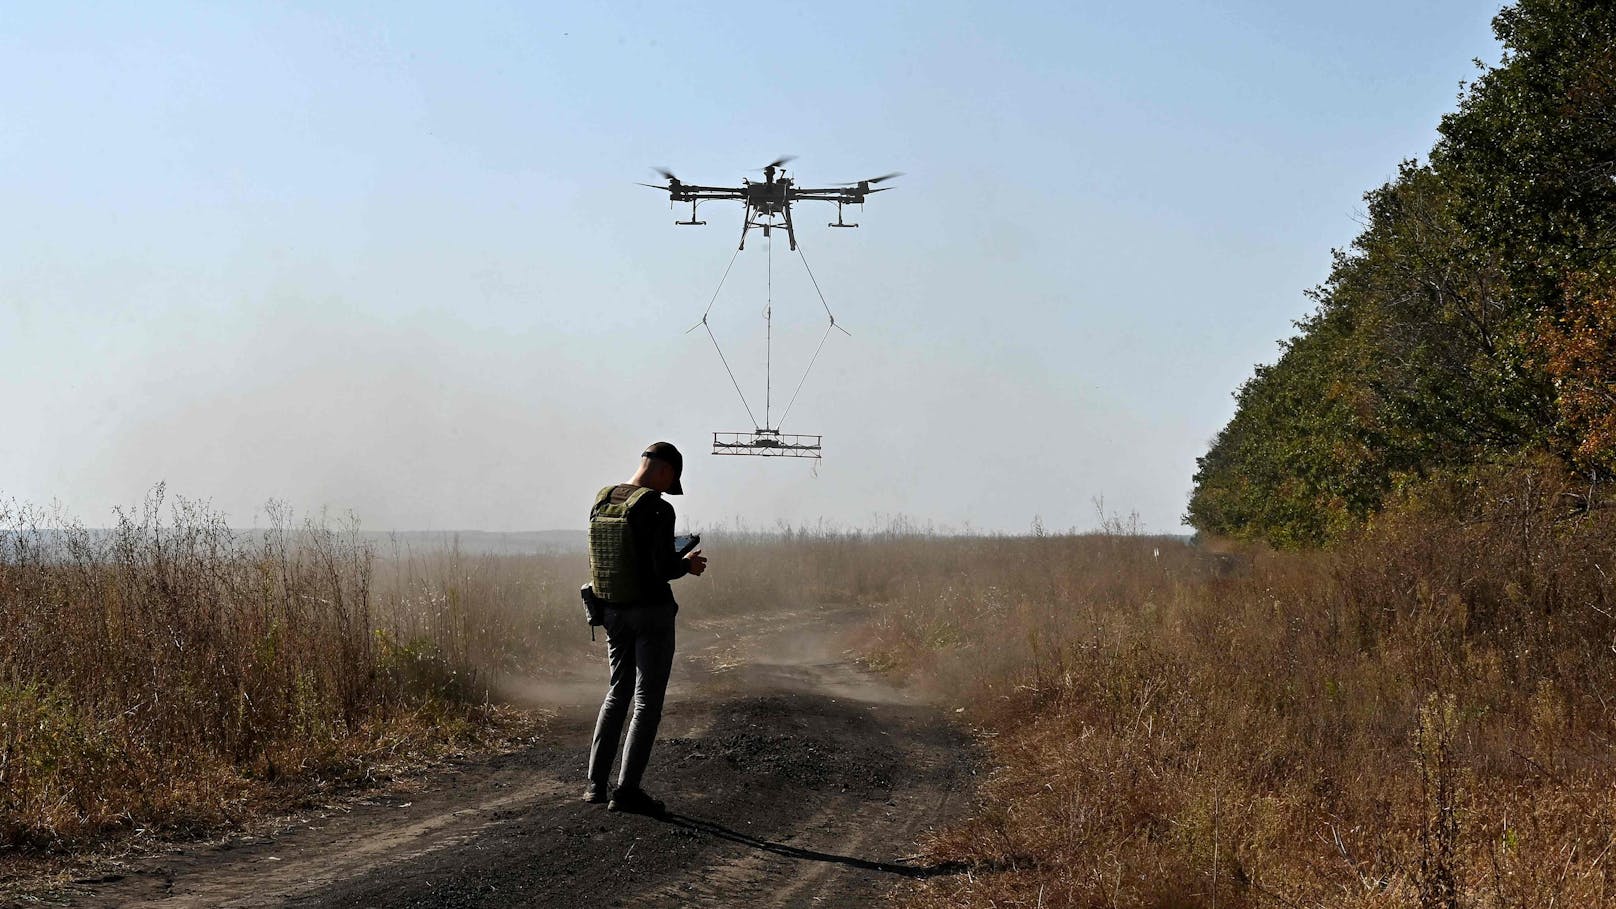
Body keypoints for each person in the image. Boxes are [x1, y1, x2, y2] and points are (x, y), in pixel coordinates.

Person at [584, 441, 707, 815]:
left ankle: (595, 785)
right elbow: (662, 569)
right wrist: (686, 563)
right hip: (650, 614)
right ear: (666, 470)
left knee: (616, 693)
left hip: (612, 611)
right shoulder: (657, 507)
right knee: (646, 703)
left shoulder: (604, 499)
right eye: (671, 480)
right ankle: (627, 791)